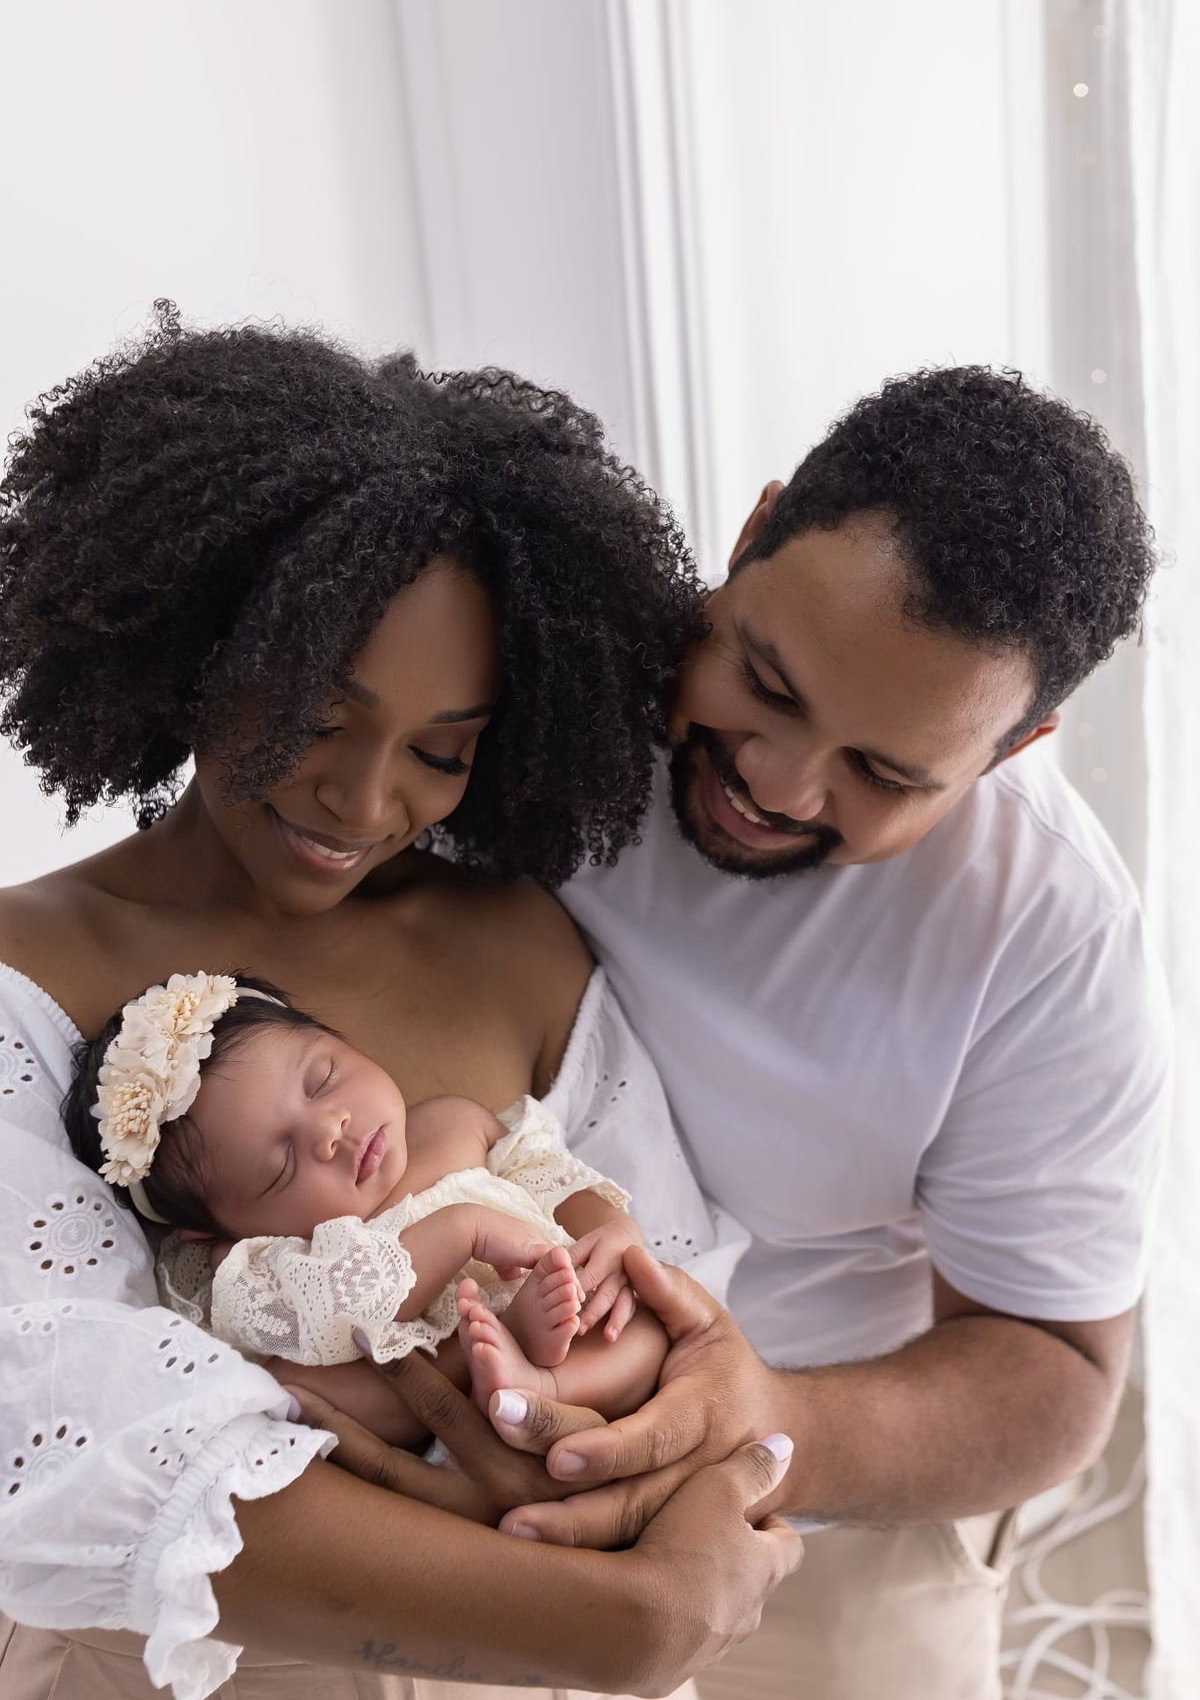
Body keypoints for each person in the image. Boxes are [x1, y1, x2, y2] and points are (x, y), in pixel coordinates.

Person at [0, 309, 800, 1700]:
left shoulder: (514, 945)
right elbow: (61, 1451)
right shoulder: (28, 978)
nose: (363, 804)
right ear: (196, 641)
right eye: (313, 718)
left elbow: (681, 1322)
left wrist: (606, 1466)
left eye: (442, 751)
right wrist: (623, 1619)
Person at [425, 367, 1169, 1700]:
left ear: (1011, 750)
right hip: (438, 1474)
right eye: (764, 680)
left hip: (825, 1520)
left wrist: (764, 1429)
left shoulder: (1048, 931)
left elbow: (1055, 1367)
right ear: (751, 533)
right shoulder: (522, 675)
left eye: (884, 773)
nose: (776, 781)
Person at [64, 968, 671, 1430]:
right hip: (444, 1392)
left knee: (640, 1326)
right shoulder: (265, 1262)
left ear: (336, 1037)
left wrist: (618, 1234)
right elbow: (336, 1317)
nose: (331, 1129)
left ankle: (546, 1385)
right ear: (220, 1232)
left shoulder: (455, 1123)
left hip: (581, 1335)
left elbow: (555, 1176)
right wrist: (458, 1231)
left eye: (323, 1078)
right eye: (281, 1164)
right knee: (304, 1383)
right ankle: (512, 1372)